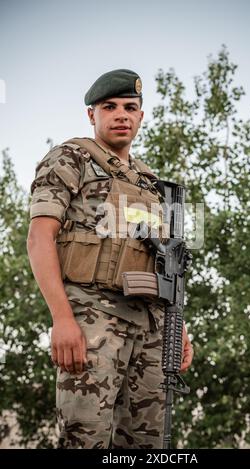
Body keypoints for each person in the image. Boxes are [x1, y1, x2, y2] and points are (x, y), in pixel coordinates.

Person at [27, 69, 193, 449]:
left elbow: (169, 263)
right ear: (92, 115)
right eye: (110, 106)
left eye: (130, 107)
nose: (121, 114)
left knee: (149, 446)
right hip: (92, 320)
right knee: (85, 439)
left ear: (141, 116)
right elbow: (39, 238)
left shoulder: (152, 183)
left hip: (151, 327)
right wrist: (62, 319)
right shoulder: (71, 158)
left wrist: (176, 326)